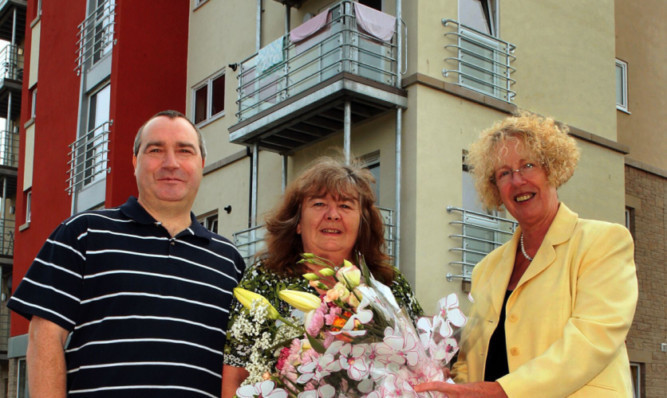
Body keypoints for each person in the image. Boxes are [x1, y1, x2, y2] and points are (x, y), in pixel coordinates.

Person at [8, 110, 246, 397]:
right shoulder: (83, 234)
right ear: (135, 162)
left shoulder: (229, 261)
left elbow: (238, 363)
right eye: (155, 150)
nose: (171, 163)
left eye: (184, 151)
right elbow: (45, 336)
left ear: (202, 164)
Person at [415, 112, 638, 397]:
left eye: (528, 165)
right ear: (495, 189)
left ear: (552, 169)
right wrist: (445, 380)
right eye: (504, 173)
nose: (517, 181)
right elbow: (473, 360)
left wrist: (504, 391)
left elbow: (591, 340)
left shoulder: (604, 242)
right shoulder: (486, 268)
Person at [221, 156, 423, 397]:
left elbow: (422, 364)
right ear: (297, 222)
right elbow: (234, 376)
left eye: (346, 206)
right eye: (319, 204)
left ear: (362, 223)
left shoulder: (389, 285)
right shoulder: (264, 279)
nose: (333, 215)